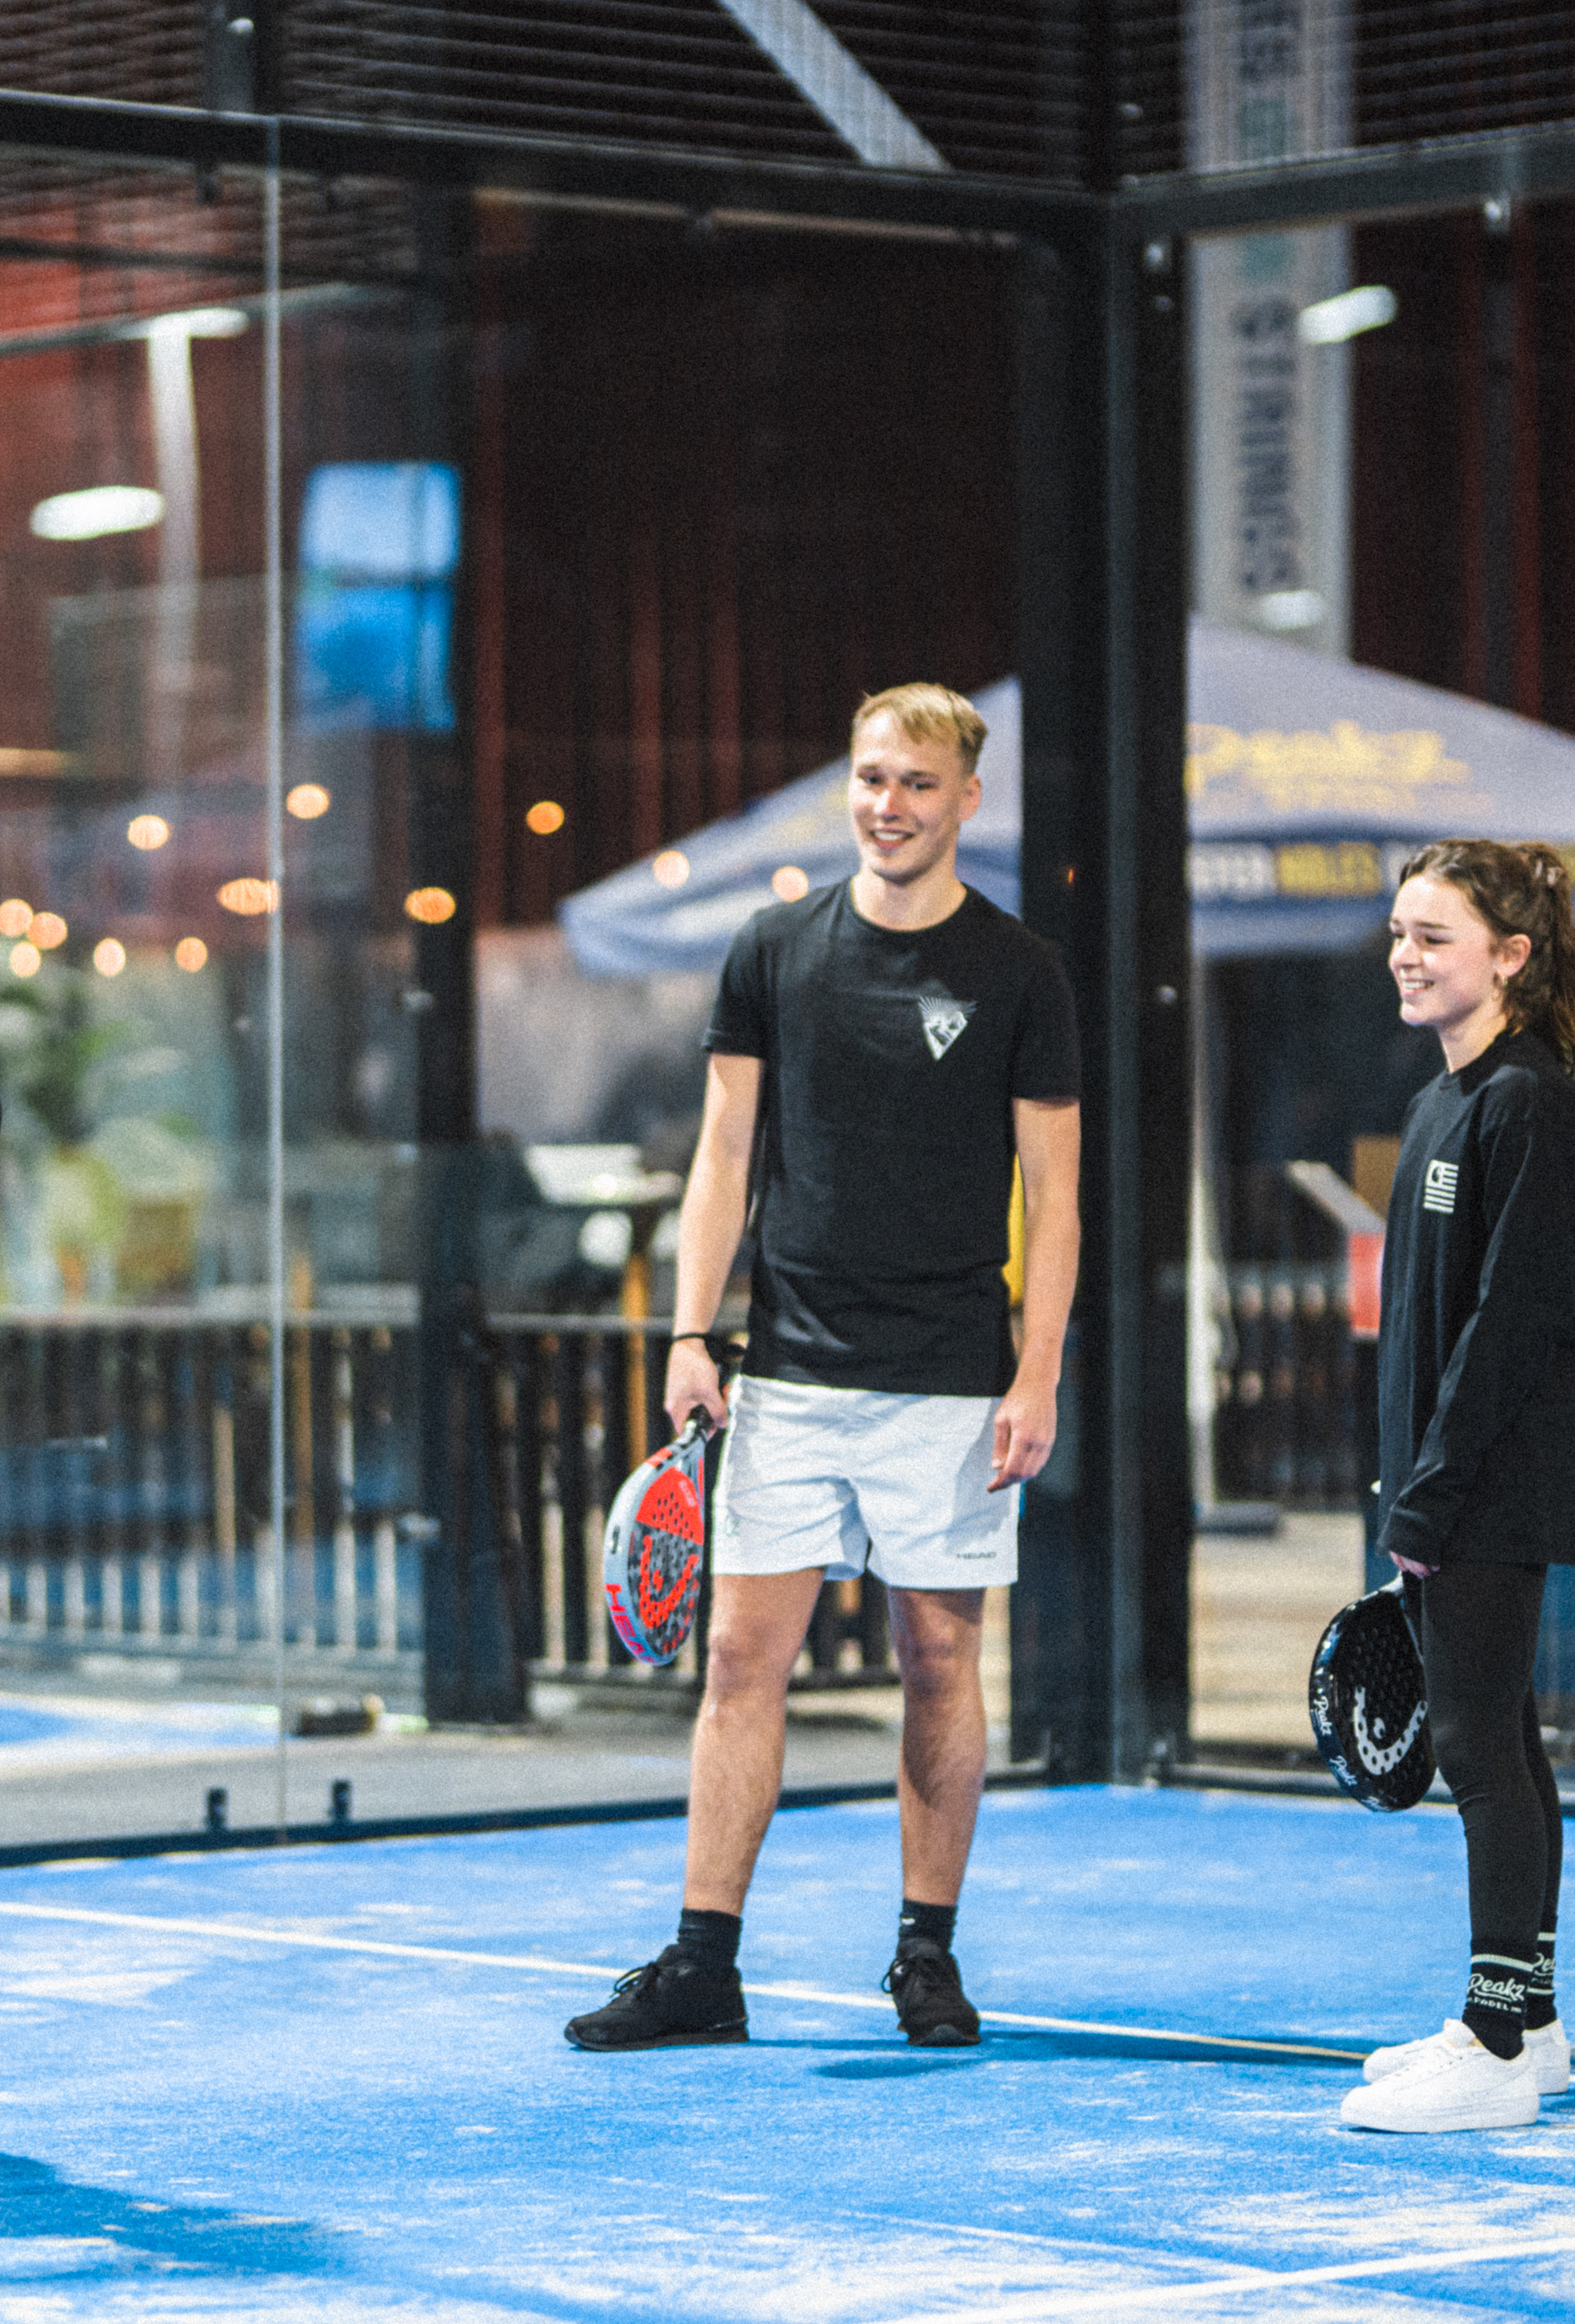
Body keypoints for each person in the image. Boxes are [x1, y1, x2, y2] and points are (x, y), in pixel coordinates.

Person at [564, 683, 1080, 2054]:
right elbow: (722, 1155)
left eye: (916, 782)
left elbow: (1058, 1194)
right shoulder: (772, 949)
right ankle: (702, 1966)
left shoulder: (1020, 971)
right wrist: (688, 1331)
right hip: (788, 1367)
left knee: (936, 1658)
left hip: (952, 1380)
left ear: (967, 799)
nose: (887, 804)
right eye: (867, 778)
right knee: (738, 1656)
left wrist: (1036, 1376)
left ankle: (923, 1953)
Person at [1340, 839, 1575, 2135]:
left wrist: (1433, 1495)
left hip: (1493, 1483)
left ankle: (1497, 2039)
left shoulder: (1530, 1104)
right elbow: (1420, 1321)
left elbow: (1510, 1322)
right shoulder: (1442, 1100)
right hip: (1452, 1481)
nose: (1405, 953)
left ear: (1508, 956)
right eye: (1398, 931)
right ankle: (1531, 2018)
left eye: (1433, 935)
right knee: (1502, 1737)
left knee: (1474, 1752)